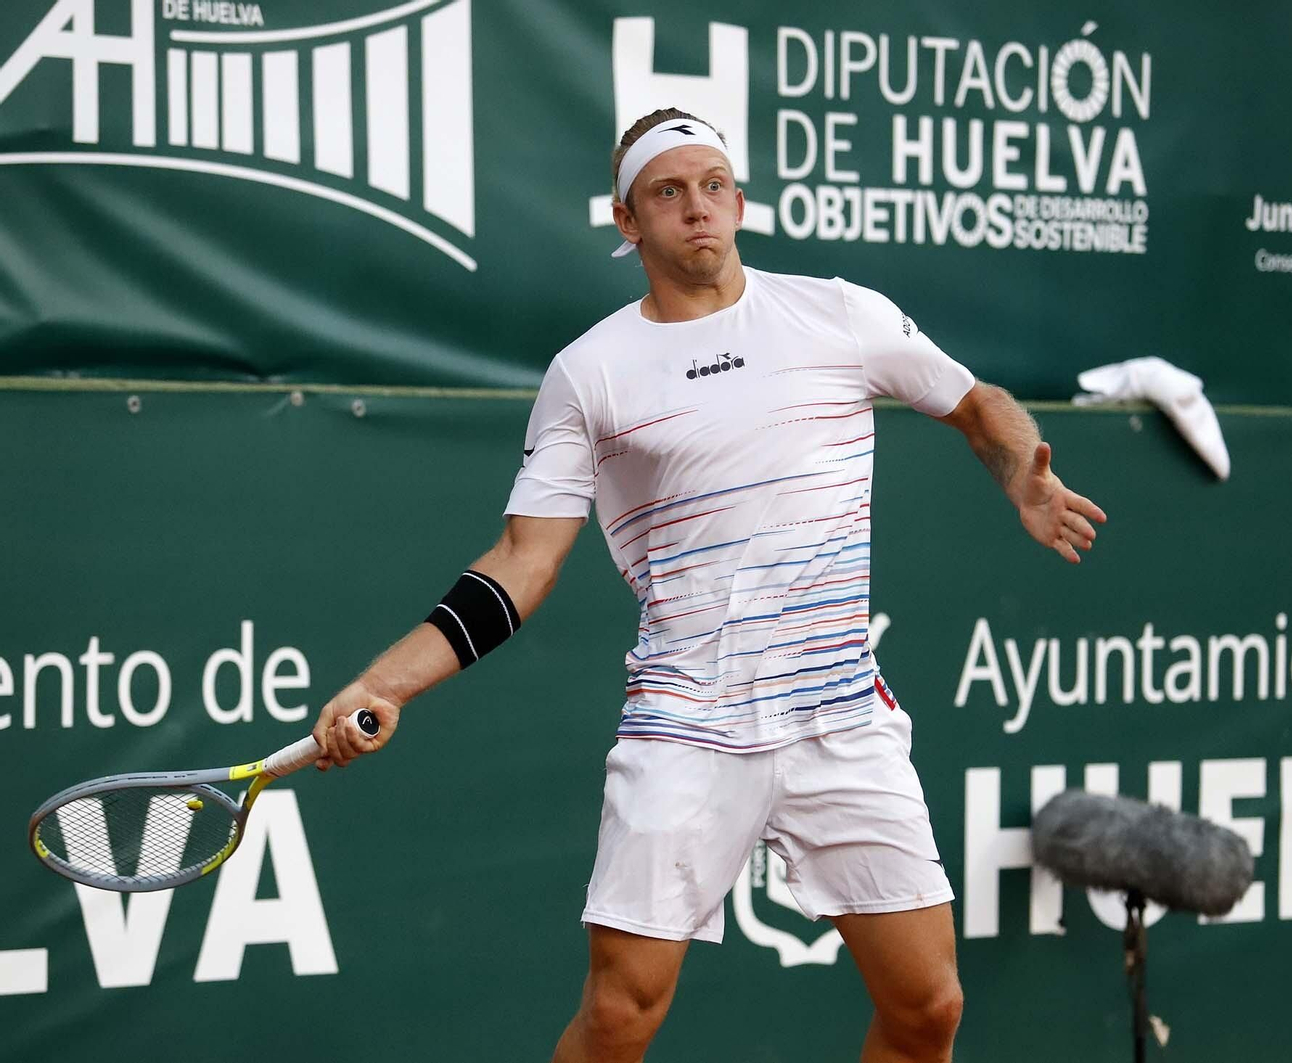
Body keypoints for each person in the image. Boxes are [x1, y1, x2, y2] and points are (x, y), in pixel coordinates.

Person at [310, 107, 1107, 1063]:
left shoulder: (838, 313)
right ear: (627, 221)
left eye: (715, 185)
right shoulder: (589, 374)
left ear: (740, 200)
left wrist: (1022, 472)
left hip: (841, 713)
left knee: (928, 1007)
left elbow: (979, 405)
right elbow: (523, 561)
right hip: (688, 723)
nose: (699, 208)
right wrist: (386, 682)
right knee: (620, 1015)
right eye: (669, 192)